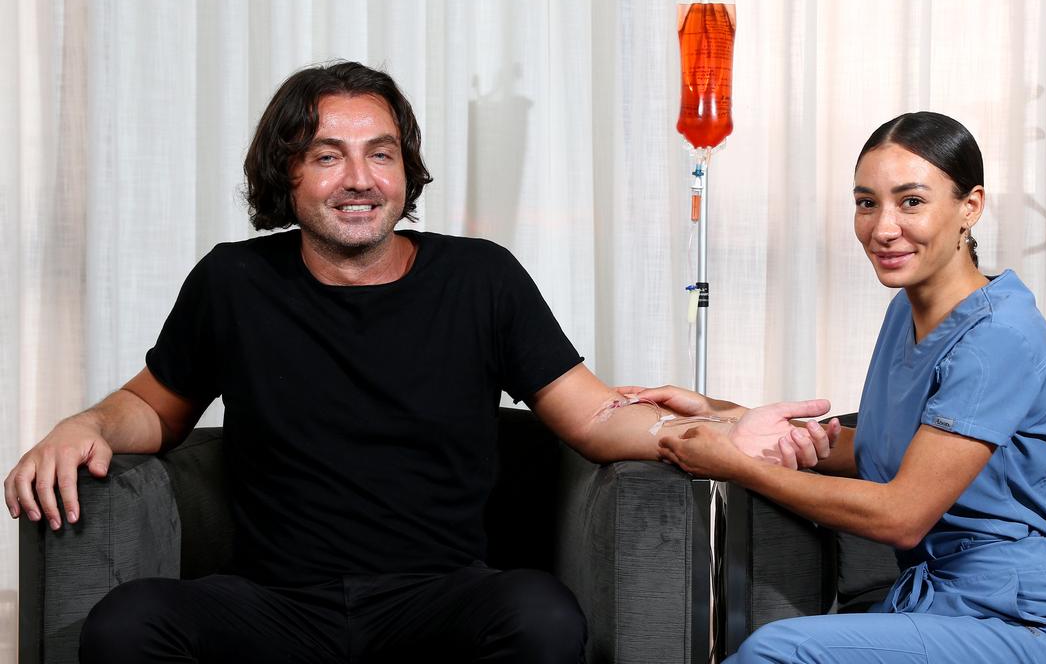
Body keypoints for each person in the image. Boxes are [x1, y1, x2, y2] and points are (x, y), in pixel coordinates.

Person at [3, 61, 837, 664]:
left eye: (381, 153)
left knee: (540, 614)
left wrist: (727, 427)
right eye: (328, 155)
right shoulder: (234, 281)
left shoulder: (480, 277)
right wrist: (83, 423)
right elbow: (155, 408)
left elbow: (592, 414)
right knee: (126, 624)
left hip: (437, 594)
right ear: (286, 174)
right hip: (275, 603)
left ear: (407, 169)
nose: (358, 178)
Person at [641, 112, 1046, 663]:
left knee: (780, 652)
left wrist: (740, 466)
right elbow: (880, 451)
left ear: (971, 207)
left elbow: (902, 514)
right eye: (867, 203)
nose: (883, 228)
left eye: (911, 201)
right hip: (940, 604)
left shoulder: (999, 337)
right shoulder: (906, 313)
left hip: (1024, 621)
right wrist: (725, 414)